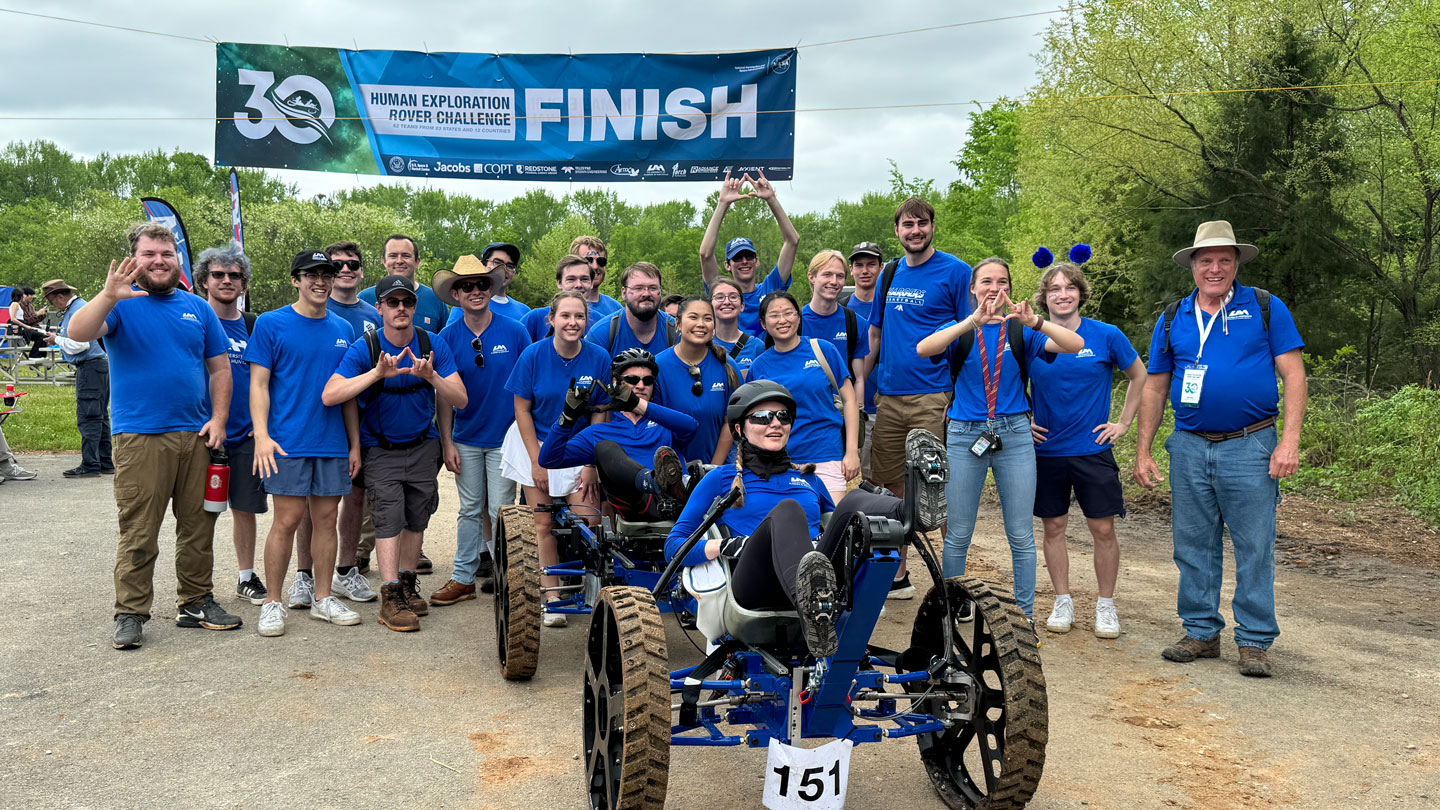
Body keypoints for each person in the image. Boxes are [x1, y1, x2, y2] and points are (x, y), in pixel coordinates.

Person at [1135, 221, 1306, 678]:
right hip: (1189, 446)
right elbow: (1155, 386)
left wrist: (1288, 442)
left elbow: (1294, 375)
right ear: (1192, 265)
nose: (1215, 268)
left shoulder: (1266, 307)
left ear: (1236, 265)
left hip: (1250, 444)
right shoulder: (1173, 317)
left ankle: (1253, 640)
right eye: (1206, 260)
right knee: (1193, 544)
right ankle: (1201, 631)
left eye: (1224, 260)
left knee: (1254, 544)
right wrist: (1144, 449)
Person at [67, 221, 241, 650]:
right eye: (149, 254)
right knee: (139, 530)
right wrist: (108, 295)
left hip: (197, 436)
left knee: (199, 526)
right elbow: (77, 334)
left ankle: (196, 601)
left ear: (177, 260)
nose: (159, 261)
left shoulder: (197, 308)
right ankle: (130, 612)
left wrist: (218, 420)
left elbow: (220, 368)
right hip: (141, 437)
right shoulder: (120, 304)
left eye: (166, 255)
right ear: (135, 259)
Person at [665, 380, 905, 658]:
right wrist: (724, 547)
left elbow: (840, 520)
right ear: (740, 429)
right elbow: (673, 547)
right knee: (788, 510)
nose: (775, 423)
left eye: (783, 416)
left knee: (852, 503)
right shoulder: (719, 478)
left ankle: (908, 513)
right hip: (755, 584)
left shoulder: (808, 478)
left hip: (818, 575)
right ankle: (814, 608)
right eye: (763, 417)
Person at [916, 257, 1084, 622]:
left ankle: (1022, 614)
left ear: (1010, 287)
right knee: (958, 532)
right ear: (973, 288)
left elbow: (1074, 343)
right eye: (987, 281)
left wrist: (1036, 321)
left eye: (1002, 281)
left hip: (1015, 434)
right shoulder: (961, 328)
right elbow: (924, 349)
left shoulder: (1021, 330)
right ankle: (951, 607)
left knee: (1021, 535)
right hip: (964, 434)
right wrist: (971, 321)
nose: (995, 288)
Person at [325, 275, 467, 632]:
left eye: (406, 302)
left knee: (417, 516)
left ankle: (406, 583)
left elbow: (460, 398)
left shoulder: (430, 344)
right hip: (381, 449)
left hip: (423, 445)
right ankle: (390, 595)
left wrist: (432, 377)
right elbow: (332, 394)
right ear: (380, 308)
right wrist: (375, 374)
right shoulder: (366, 348)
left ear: (415, 307)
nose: (400, 308)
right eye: (392, 302)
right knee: (388, 517)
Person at [246, 251, 363, 637]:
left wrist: (354, 445)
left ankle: (323, 598)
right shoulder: (270, 323)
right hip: (287, 443)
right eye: (311, 275)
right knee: (288, 520)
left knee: (327, 520)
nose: (321, 281)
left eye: (326, 274)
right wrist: (261, 436)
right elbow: (259, 385)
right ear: (295, 280)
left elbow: (346, 393)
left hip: (331, 441)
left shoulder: (344, 328)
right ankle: (273, 602)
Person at [861, 197, 973, 598]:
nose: (915, 231)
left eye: (922, 223)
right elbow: (875, 333)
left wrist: (958, 393)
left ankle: (953, 584)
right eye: (907, 225)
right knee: (891, 488)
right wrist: (863, 381)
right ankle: (899, 574)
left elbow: (970, 332)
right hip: (888, 398)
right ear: (897, 230)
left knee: (936, 485)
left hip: (933, 395)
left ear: (932, 226)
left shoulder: (957, 272)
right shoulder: (889, 273)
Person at [1027, 257, 1145, 639]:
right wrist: (1023, 418)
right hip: (1047, 450)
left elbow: (1139, 375)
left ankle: (1106, 605)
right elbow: (1007, 378)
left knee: (1103, 529)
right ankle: (1063, 600)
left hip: (1092, 448)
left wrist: (1124, 423)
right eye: (1055, 289)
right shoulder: (1030, 336)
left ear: (1081, 293)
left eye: (1070, 288)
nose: (1063, 295)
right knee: (1054, 527)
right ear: (1044, 297)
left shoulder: (1106, 334)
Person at [503, 291, 611, 628]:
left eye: (579, 316)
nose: (572, 323)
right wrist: (537, 462)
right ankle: (553, 597)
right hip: (535, 441)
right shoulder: (533, 355)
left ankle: (593, 592)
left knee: (590, 522)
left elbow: (600, 413)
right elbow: (521, 408)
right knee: (542, 523)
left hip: (579, 447)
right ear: (551, 319)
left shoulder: (599, 357)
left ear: (586, 321)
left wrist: (592, 464)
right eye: (565, 316)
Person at [432, 255, 531, 605]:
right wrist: (447, 442)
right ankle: (463, 577)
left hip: (505, 437)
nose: (475, 291)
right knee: (470, 509)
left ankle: (508, 578)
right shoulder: (446, 337)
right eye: (466, 286)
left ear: (492, 287)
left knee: (501, 510)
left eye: (482, 284)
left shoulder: (516, 331)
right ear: (456, 294)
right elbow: (444, 398)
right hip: (466, 437)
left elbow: (526, 389)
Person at [539, 349, 697, 522]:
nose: (641, 385)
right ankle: (652, 482)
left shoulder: (665, 423)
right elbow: (548, 460)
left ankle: (665, 486)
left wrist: (636, 404)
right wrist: (567, 418)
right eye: (632, 380)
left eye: (648, 380)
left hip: (676, 503)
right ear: (616, 383)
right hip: (635, 504)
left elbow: (691, 427)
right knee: (605, 447)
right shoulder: (599, 432)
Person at [193, 246, 269, 605]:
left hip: (246, 433)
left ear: (243, 283)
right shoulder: (193, 319)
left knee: (245, 509)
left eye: (234, 275)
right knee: (198, 512)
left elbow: (271, 380)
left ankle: (245, 576)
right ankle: (196, 585)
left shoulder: (255, 325)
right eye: (218, 275)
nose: (226, 281)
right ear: (203, 280)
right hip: (200, 432)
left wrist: (265, 424)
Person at [748, 291, 858, 505]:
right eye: (774, 315)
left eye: (788, 313)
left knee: (831, 528)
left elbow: (850, 400)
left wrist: (852, 451)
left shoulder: (823, 350)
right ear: (763, 324)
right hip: (779, 461)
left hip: (824, 453)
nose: (782, 320)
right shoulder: (758, 366)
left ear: (798, 317)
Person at [320, 239, 383, 590]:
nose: (345, 270)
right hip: (317, 419)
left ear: (362, 271)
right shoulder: (313, 307)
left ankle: (346, 568)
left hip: (362, 419)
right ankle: (308, 572)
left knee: (356, 497)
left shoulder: (373, 316)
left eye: (352, 264)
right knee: (316, 502)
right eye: (337, 265)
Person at [699, 171, 799, 337]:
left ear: (756, 261)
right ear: (727, 265)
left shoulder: (770, 288)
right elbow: (705, 254)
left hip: (764, 360)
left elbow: (792, 241)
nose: (744, 261)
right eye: (737, 258)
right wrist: (723, 203)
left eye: (749, 256)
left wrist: (771, 199)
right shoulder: (723, 295)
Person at [654, 297, 742, 465]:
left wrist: (712, 470)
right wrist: (683, 471)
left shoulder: (727, 365)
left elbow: (730, 423)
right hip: (673, 471)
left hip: (719, 470)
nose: (701, 324)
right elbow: (657, 426)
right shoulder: (658, 367)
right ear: (678, 323)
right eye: (693, 317)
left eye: (708, 318)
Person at [42, 278, 112, 478]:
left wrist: (57, 340)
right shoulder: (80, 308)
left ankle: (90, 464)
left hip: (89, 367)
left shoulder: (77, 311)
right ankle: (105, 461)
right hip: (99, 366)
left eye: (53, 301)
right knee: (99, 416)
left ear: (61, 297)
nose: (53, 305)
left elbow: (81, 344)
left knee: (88, 416)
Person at [802, 249, 872, 422]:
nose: (834, 282)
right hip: (804, 416)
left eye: (839, 276)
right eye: (827, 275)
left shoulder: (856, 323)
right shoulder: (794, 322)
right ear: (812, 277)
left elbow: (859, 379)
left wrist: (857, 418)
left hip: (843, 415)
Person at [840, 242, 884, 482]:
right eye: (859, 265)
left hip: (888, 401)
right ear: (852, 270)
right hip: (859, 407)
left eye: (871, 264)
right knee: (866, 478)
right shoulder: (842, 309)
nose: (865, 270)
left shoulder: (892, 307)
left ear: (881, 267)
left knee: (893, 475)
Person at [358, 234, 449, 331]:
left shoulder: (436, 299)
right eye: (393, 256)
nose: (399, 261)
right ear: (384, 261)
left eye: (406, 256)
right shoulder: (365, 299)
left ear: (417, 262)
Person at [586, 261, 677, 356]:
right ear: (624, 293)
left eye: (653, 288)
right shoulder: (601, 334)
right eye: (638, 288)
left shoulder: (676, 332)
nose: (646, 294)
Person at [446, 242, 529, 326]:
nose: (504, 269)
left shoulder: (525, 311)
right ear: (483, 265)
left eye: (510, 266)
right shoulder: (466, 305)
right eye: (497, 262)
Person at [521, 255, 598, 341]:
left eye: (584, 279)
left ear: (591, 284)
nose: (578, 285)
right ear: (559, 283)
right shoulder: (535, 318)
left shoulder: (602, 322)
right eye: (571, 279)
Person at [709, 277, 764, 378]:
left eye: (733, 297)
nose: (726, 302)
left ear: (742, 306)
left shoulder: (756, 346)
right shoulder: (703, 344)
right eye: (720, 297)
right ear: (710, 305)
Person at [571, 235, 622, 320]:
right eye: (588, 260)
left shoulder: (617, 309)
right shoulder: (559, 310)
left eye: (601, 261)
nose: (595, 267)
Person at [7, 286, 48, 358]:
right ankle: (34, 356)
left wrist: (42, 314)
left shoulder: (29, 306)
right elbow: (14, 319)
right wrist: (27, 325)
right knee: (42, 336)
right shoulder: (16, 304)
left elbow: (33, 320)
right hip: (22, 328)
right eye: (31, 295)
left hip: (26, 327)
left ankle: (42, 357)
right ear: (23, 296)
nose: (32, 297)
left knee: (45, 336)